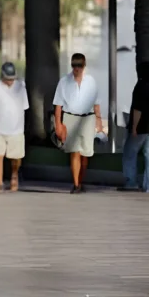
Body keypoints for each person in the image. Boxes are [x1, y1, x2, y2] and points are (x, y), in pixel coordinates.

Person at [53, 53, 101, 194]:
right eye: (74, 65)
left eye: (79, 65)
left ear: (84, 66)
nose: (77, 68)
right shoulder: (64, 82)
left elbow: (96, 103)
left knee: (85, 154)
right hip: (70, 117)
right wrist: (58, 125)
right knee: (74, 152)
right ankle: (76, 184)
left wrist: (98, 121)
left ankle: (81, 180)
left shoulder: (91, 81)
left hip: (88, 118)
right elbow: (58, 105)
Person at [0, 62, 29, 193]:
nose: (10, 81)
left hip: (17, 128)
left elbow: (25, 107)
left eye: (12, 78)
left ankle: (14, 174)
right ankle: (0, 183)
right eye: (8, 79)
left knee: (16, 158)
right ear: (2, 76)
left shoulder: (21, 86)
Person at [122, 61, 149, 193]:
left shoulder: (139, 87)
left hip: (141, 127)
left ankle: (131, 182)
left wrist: (134, 127)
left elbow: (137, 110)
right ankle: (148, 185)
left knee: (129, 153)